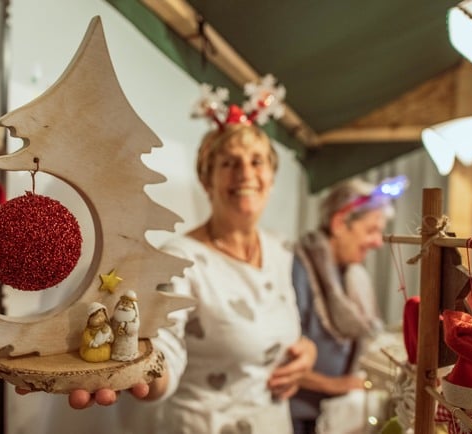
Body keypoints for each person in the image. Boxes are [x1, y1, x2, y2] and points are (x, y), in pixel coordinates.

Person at [59, 78, 318, 433]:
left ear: (271, 177)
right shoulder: (180, 260)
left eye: (257, 161)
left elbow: (285, 331)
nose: (245, 173)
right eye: (229, 163)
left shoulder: (280, 250)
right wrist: (137, 370)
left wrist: (307, 353)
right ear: (206, 178)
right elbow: (165, 351)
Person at [289, 177, 403, 434]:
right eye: (371, 230)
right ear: (340, 222)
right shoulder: (298, 269)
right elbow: (279, 354)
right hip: (297, 417)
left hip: (330, 413)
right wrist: (337, 384)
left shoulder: (349, 274)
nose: (378, 242)